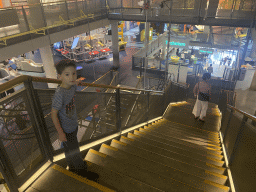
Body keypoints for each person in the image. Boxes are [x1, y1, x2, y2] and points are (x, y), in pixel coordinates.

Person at [51, 59, 99, 182]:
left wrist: (78, 81)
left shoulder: (71, 85)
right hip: (66, 130)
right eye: (67, 74)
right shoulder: (59, 94)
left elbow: (75, 82)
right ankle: (83, 173)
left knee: (69, 150)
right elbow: (53, 114)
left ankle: (72, 167)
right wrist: (60, 133)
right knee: (75, 151)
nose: (72, 77)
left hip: (73, 125)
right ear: (59, 76)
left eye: (74, 73)